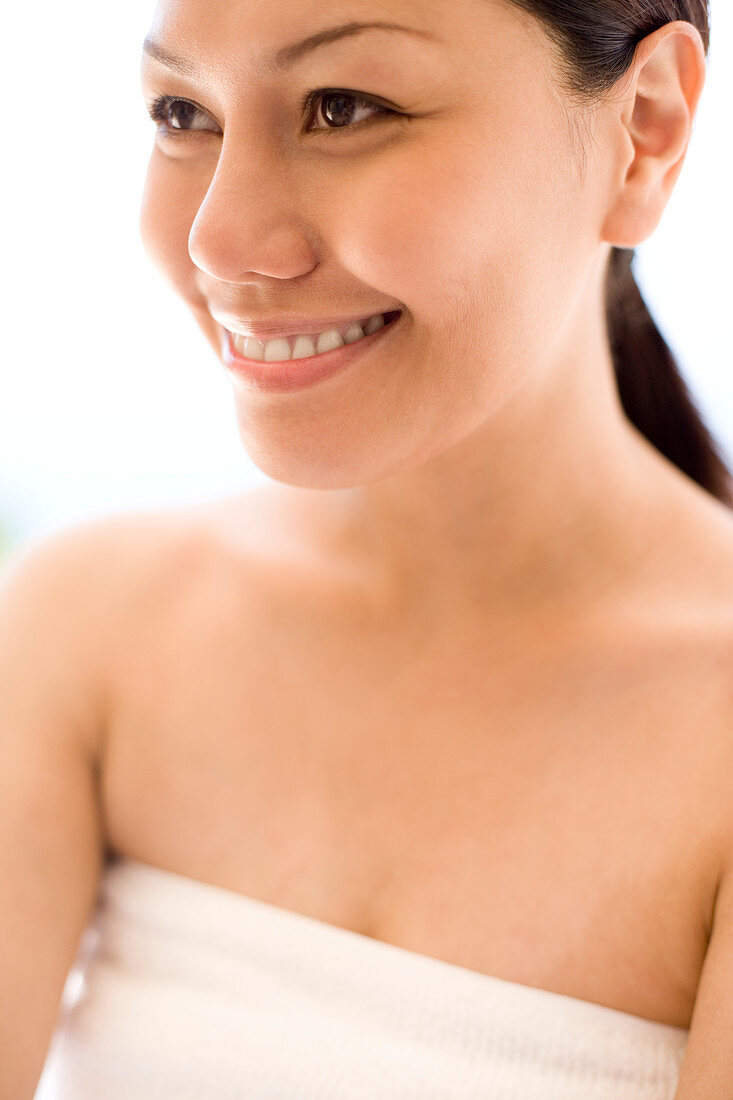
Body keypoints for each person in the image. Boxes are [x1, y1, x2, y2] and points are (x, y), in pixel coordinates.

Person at [2, 0, 732, 1097]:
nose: (220, 240)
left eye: (343, 108)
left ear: (646, 127)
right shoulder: (85, 629)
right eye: (180, 112)